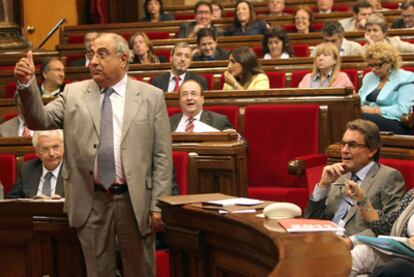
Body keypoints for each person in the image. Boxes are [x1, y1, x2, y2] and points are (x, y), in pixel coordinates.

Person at [13, 32, 172, 276]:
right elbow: (39, 119)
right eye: (90, 55)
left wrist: (157, 205)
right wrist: (26, 84)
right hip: (92, 200)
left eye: (101, 54)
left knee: (141, 271)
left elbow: (161, 155)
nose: (93, 61)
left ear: (123, 58)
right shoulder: (74, 93)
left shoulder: (151, 97)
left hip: (135, 201)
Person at [305, 119, 406, 239]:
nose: (344, 150)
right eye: (343, 144)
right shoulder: (339, 177)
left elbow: (391, 227)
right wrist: (323, 186)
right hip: (326, 241)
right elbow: (312, 222)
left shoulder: (388, 177)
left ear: (372, 150)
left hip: (356, 248)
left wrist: (352, 241)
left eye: (352, 145)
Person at [345, 179, 414, 276]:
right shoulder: (412, 195)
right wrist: (361, 199)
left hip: (407, 260)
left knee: (396, 267)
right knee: (359, 253)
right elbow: (384, 227)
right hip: (401, 251)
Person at [359, 42, 414, 135]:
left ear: (390, 62)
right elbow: (359, 100)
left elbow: (403, 110)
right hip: (367, 118)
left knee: (362, 119)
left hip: (396, 122)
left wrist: (375, 110)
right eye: (371, 65)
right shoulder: (369, 77)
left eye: (377, 65)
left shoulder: (406, 77)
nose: (373, 69)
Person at [7, 130, 64, 199]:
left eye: (55, 147)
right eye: (45, 149)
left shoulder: (75, 170)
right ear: (37, 152)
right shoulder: (27, 169)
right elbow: (10, 201)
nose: (51, 154)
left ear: (64, 147)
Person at [170, 79, 234, 132]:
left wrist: (232, 136)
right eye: (184, 94)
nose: (189, 98)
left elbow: (238, 141)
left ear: (202, 99)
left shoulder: (218, 120)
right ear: (179, 100)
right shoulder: (169, 122)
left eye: (193, 94)